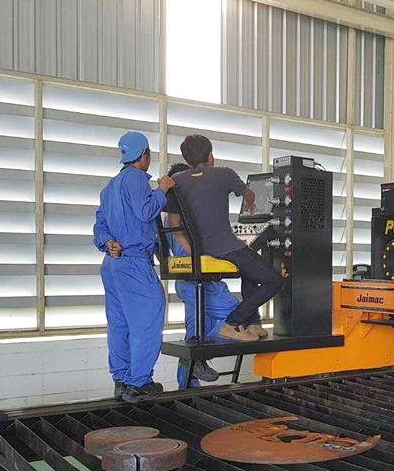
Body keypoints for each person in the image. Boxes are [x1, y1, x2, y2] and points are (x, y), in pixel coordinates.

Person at [165, 134, 280, 342]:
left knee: (250, 270)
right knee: (274, 280)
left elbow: (175, 227)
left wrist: (195, 253)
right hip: (227, 248)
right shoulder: (224, 173)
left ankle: (253, 324)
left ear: (187, 160)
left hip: (201, 252)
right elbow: (249, 194)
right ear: (210, 156)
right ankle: (232, 323)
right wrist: (250, 204)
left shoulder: (176, 181)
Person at [93, 131, 174, 403]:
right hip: (134, 262)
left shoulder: (109, 188)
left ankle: (121, 380)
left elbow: (99, 226)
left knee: (120, 323)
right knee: (149, 314)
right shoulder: (137, 178)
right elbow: (145, 211)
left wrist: (108, 243)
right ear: (145, 154)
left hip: (112, 264)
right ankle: (139, 382)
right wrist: (162, 189)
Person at [163, 162, 239, 389]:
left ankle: (187, 391)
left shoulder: (169, 217)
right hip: (202, 283)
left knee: (193, 338)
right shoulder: (188, 214)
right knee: (244, 319)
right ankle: (198, 358)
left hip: (186, 283)